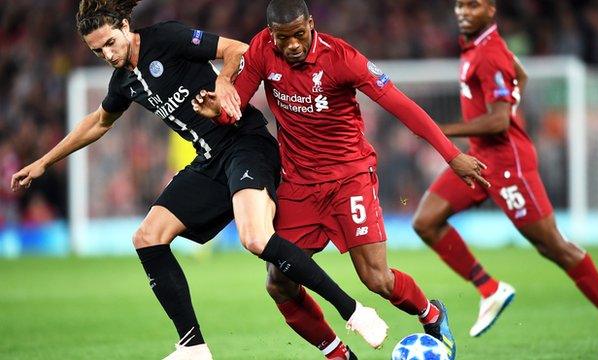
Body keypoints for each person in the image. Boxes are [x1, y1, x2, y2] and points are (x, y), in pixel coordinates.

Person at [10, 1, 389, 359]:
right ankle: (193, 346)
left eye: (110, 42)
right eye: (98, 51)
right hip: (209, 161)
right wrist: (44, 161)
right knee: (147, 238)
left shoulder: (167, 37)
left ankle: (353, 310)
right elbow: (98, 122)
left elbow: (238, 49)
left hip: (246, 144)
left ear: (126, 26)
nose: (108, 54)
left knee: (255, 238)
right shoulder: (123, 81)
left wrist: (224, 81)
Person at [192, 1, 490, 358]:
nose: (292, 46)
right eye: (283, 38)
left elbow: (402, 106)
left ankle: (432, 313)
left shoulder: (342, 58)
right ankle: (337, 353)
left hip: (350, 179)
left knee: (376, 278)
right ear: (271, 35)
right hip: (299, 185)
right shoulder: (261, 49)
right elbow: (236, 105)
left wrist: (452, 156)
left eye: (299, 35)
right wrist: (217, 113)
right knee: (279, 281)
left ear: (312, 25)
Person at [410, 1, 598, 359]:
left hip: (508, 165)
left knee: (552, 245)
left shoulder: (489, 53)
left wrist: (440, 131)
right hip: (481, 159)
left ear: (491, 9)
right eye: (459, 4)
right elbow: (522, 76)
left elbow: (499, 121)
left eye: (473, 5)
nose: (462, 11)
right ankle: (489, 289)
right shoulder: (477, 47)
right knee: (426, 221)